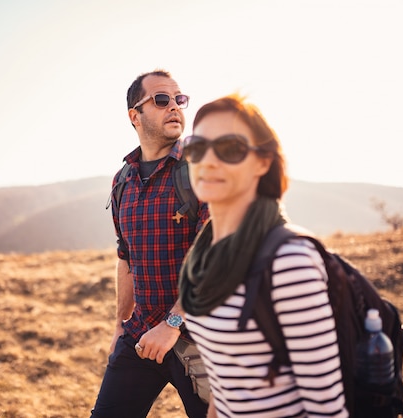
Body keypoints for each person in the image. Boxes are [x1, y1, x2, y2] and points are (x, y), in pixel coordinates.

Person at [179, 94, 348, 417]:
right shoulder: (205, 256)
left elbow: (326, 408)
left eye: (229, 149)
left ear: (263, 161)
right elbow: (224, 383)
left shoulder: (288, 262)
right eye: (196, 148)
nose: (208, 161)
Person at [90, 70, 210, 418]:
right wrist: (120, 326)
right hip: (142, 334)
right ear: (134, 115)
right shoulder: (123, 180)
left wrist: (173, 324)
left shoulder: (200, 165)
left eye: (179, 99)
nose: (174, 106)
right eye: (161, 99)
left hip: (201, 337)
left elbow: (215, 254)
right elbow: (125, 258)